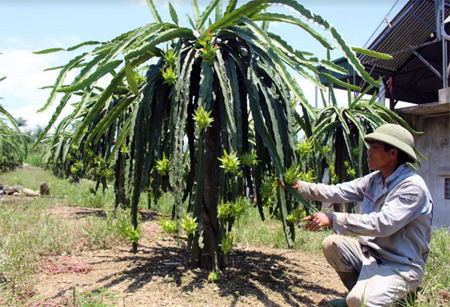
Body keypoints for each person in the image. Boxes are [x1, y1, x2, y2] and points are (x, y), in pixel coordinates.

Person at [285, 124, 433, 307]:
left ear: (393, 153)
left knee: (358, 301)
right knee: (332, 244)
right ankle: (365, 294)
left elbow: (383, 224)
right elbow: (337, 192)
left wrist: (333, 218)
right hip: (371, 255)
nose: (368, 152)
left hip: (400, 265)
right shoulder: (375, 180)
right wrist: (300, 187)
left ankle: (397, 298)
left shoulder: (412, 187)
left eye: (375, 148)